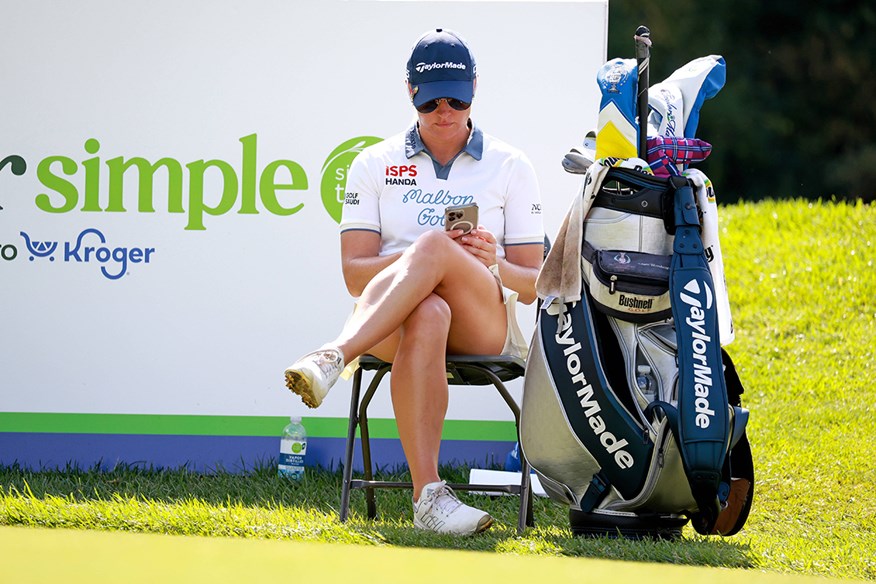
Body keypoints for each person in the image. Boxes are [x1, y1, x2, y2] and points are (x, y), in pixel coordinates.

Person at [284, 28, 544, 535]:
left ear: (475, 89)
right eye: (430, 101)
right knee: (428, 307)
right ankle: (429, 497)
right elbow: (354, 276)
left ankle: (334, 354)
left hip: (482, 325)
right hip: (392, 324)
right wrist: (422, 261)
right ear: (409, 93)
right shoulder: (374, 163)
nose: (444, 110)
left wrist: (487, 260)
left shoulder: (511, 165)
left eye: (456, 98)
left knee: (433, 250)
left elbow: (534, 284)